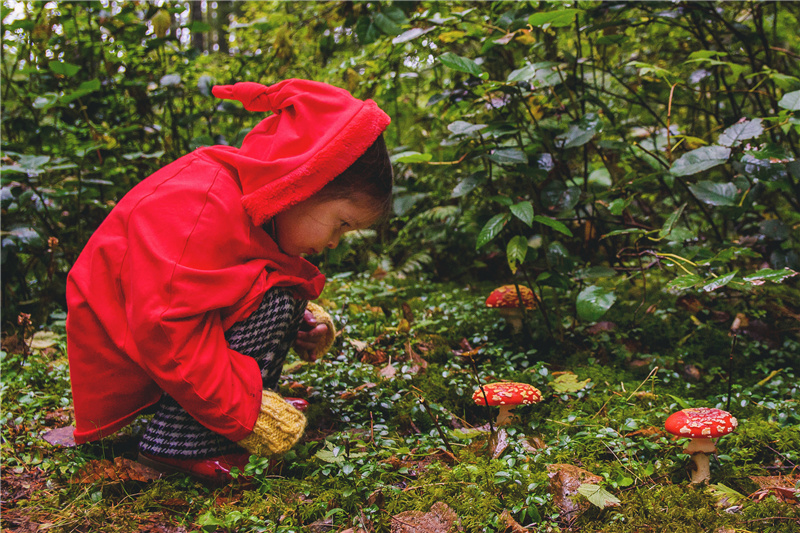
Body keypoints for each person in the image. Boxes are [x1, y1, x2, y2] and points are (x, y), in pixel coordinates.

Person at [65, 79, 393, 483]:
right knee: (276, 303)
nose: (333, 242)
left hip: (152, 343)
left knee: (284, 300)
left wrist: (304, 318)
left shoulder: (248, 201)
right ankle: (178, 446)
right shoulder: (201, 205)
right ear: (304, 183)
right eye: (340, 224)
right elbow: (167, 333)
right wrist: (246, 412)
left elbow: (238, 278)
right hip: (128, 356)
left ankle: (224, 414)